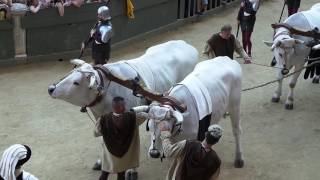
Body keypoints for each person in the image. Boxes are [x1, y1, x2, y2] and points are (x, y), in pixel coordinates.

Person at [94, 96, 148, 180]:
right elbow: (144, 116)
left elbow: (96, 133)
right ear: (122, 107)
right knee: (121, 175)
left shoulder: (103, 118)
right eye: (124, 105)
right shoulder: (132, 118)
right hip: (123, 156)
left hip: (109, 155)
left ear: (113, 106)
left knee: (104, 174)